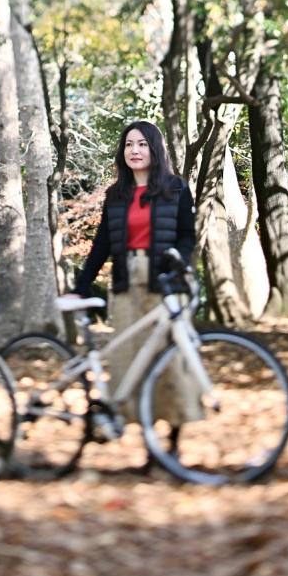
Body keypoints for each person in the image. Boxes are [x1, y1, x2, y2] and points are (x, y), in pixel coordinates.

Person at [73, 119, 201, 468]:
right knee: (132, 363)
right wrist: (81, 285)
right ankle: (149, 448)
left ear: (155, 149)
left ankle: (172, 446)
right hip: (127, 283)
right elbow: (102, 244)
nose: (135, 150)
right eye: (129, 144)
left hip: (165, 284)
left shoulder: (176, 189)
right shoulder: (117, 195)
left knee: (170, 364)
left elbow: (188, 237)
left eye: (142, 144)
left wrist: (179, 263)